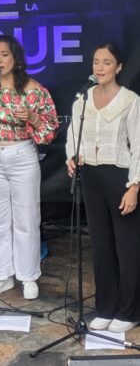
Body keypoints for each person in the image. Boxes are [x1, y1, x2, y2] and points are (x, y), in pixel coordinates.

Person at [0, 35, 58, 300]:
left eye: (4, 55)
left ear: (15, 58)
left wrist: (32, 117)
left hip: (22, 154)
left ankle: (28, 276)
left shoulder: (33, 89)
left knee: (26, 218)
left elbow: (50, 129)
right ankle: (0, 275)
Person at [66, 43, 140, 333]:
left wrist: (134, 186)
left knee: (127, 248)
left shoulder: (131, 101)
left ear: (119, 67)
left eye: (106, 62)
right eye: (96, 61)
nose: (99, 67)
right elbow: (74, 135)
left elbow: (138, 147)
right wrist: (71, 157)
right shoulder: (82, 99)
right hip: (92, 178)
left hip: (120, 178)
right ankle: (106, 307)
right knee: (101, 248)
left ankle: (130, 310)